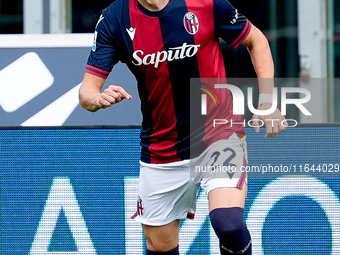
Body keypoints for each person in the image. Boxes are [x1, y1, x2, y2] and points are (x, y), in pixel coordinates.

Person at [79, 0, 287, 254]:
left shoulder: (206, 3)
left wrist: (266, 102)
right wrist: (98, 99)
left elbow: (257, 41)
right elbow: (87, 92)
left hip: (218, 134)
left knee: (229, 225)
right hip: (161, 149)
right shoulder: (114, 18)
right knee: (160, 246)